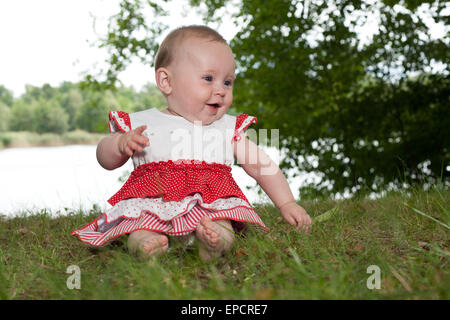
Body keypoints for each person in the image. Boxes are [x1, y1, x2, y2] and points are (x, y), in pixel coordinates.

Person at [72, 25, 312, 261]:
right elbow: (105, 159)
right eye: (208, 78)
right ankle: (147, 244)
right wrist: (119, 144)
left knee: (222, 227)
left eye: (227, 82)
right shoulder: (143, 123)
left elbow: (262, 165)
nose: (220, 90)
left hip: (210, 209)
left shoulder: (226, 128)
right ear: (166, 81)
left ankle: (212, 242)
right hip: (153, 208)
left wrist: (287, 202)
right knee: (140, 229)